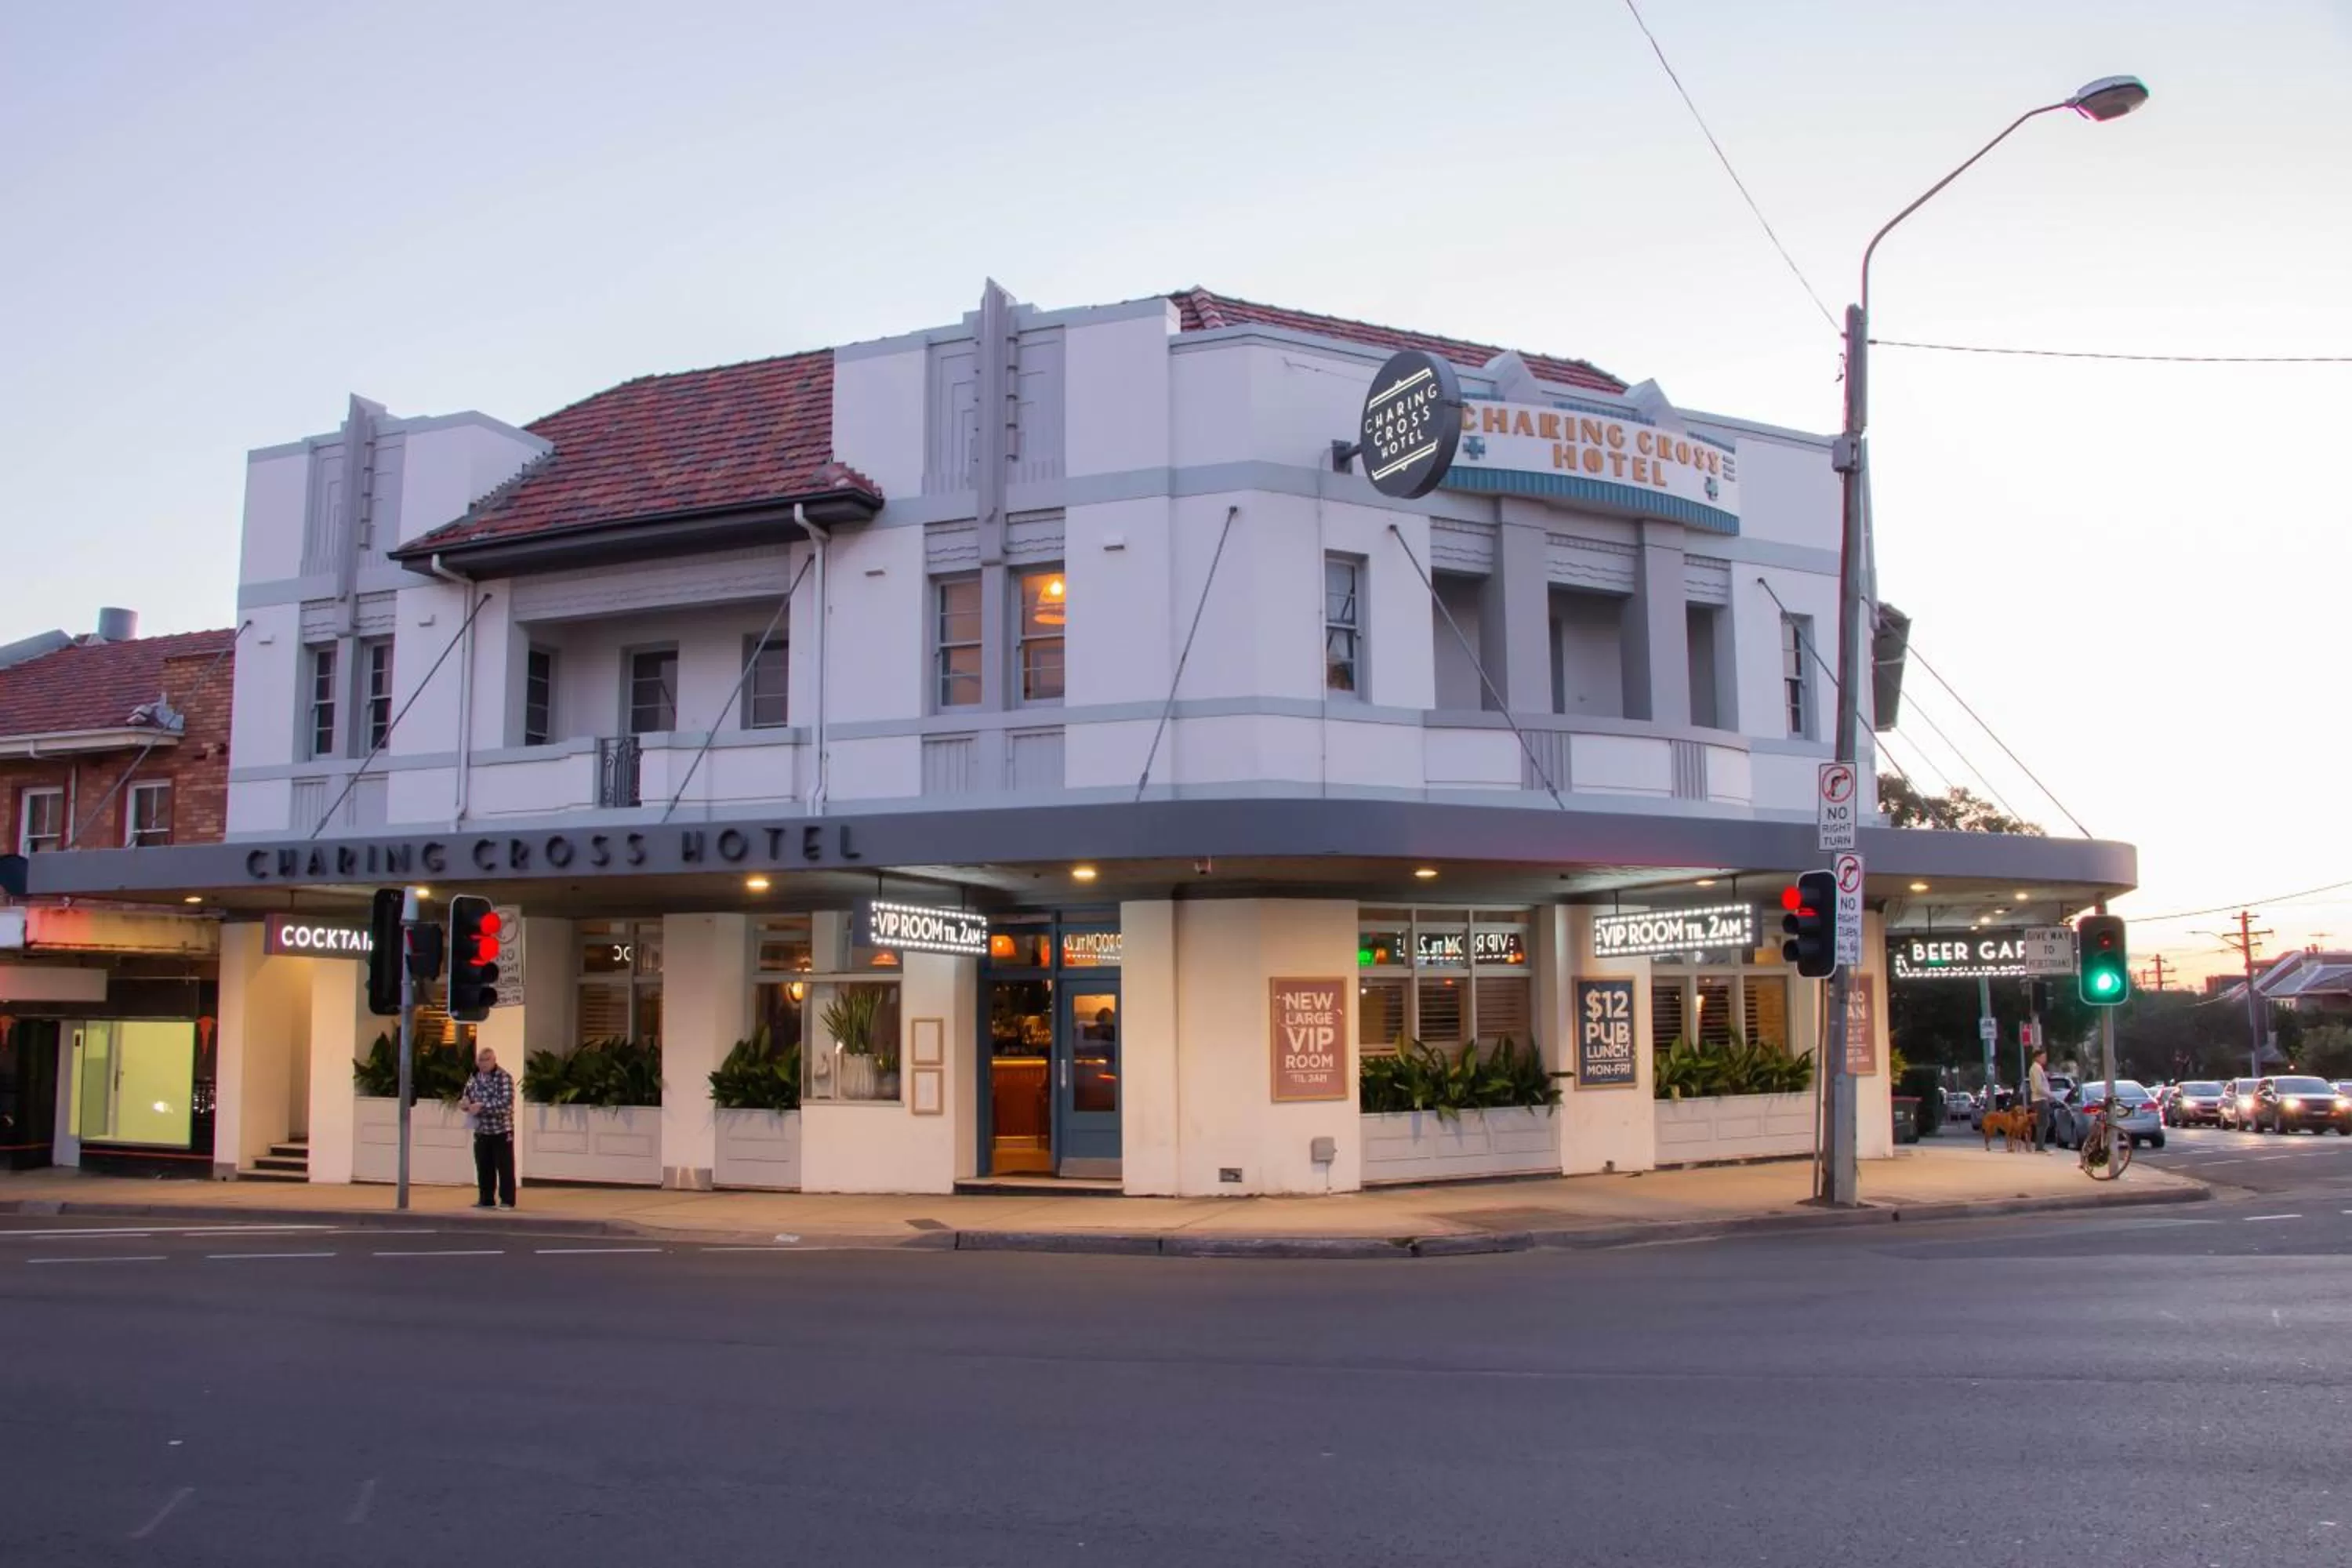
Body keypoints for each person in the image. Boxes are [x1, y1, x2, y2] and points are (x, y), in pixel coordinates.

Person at [459, 1045, 517, 1208]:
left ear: (494, 1060)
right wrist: (465, 1103)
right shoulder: (474, 1077)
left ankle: (507, 1200)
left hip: (501, 1130)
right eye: (480, 1061)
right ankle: (486, 1199)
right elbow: (467, 1095)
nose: (483, 1064)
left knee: (504, 1167)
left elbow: (505, 1104)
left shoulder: (503, 1078)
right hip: (481, 1130)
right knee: (483, 1166)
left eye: (486, 1060)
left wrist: (483, 1107)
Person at [2027, 1048, 2054, 1152]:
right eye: (2043, 1057)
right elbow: (2038, 1087)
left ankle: (2040, 1145)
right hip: (2040, 1099)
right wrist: (2049, 1095)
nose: (2045, 1059)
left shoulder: (2038, 1068)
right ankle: (2039, 1146)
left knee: (2043, 1122)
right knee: (2043, 1123)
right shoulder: (2036, 1068)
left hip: (2041, 1099)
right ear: (2037, 1057)